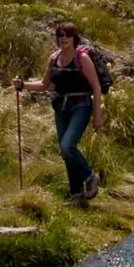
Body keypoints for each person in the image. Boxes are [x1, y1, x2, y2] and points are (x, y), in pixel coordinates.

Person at [15, 21, 103, 203]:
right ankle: (76, 195)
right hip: (61, 108)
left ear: (74, 38)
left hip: (81, 106)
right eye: (60, 35)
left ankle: (90, 177)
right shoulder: (54, 59)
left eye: (67, 35)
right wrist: (23, 85)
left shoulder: (82, 58)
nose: (63, 38)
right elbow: (43, 84)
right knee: (65, 152)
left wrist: (98, 116)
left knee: (67, 146)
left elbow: (96, 87)